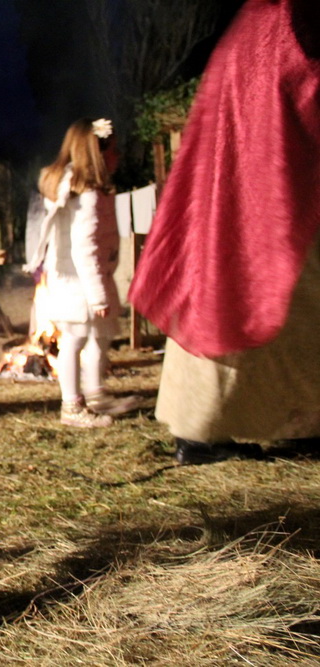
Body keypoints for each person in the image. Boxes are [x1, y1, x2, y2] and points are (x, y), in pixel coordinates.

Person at [129, 0, 320, 465]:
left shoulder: (256, 23)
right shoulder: (291, 23)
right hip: (280, 195)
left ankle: (286, 424)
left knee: (231, 289)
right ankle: (207, 432)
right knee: (264, 295)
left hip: (240, 192)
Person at [26, 118, 138, 428]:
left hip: (88, 279)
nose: (118, 156)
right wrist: (98, 295)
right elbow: (83, 248)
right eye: (113, 151)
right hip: (78, 282)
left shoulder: (92, 193)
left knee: (99, 336)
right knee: (74, 339)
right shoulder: (85, 198)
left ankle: (96, 393)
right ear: (96, 155)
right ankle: (71, 407)